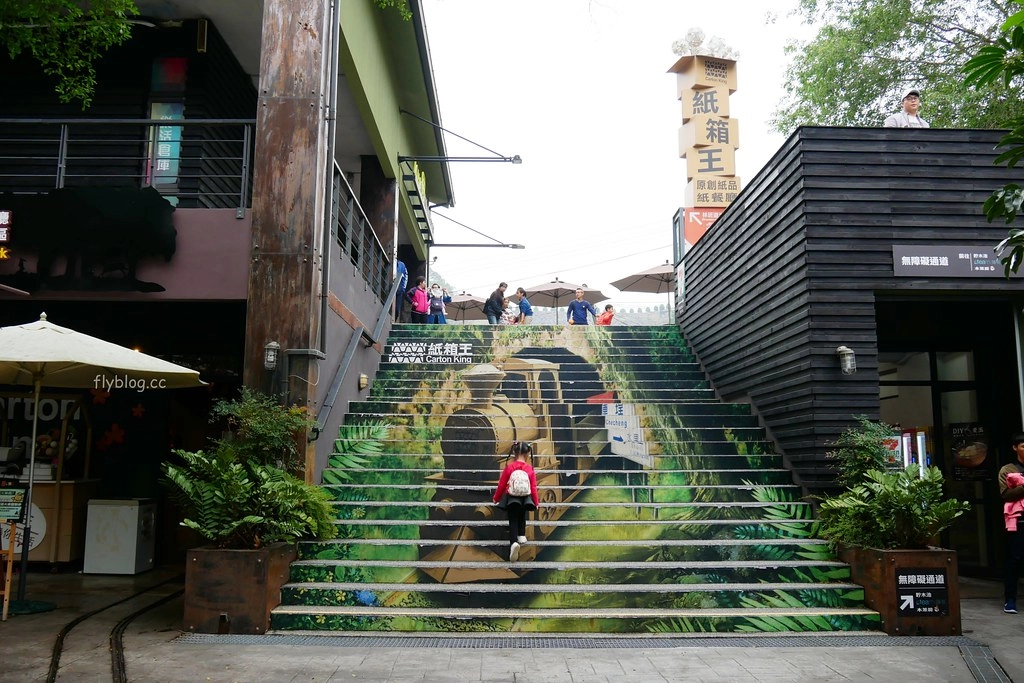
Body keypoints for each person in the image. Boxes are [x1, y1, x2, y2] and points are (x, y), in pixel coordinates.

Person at [492, 441, 539, 562]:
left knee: (512, 519)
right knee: (522, 515)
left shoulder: (509, 467)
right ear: (528, 453)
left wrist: (496, 498)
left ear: (514, 452)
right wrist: (536, 502)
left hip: (512, 498)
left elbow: (502, 485)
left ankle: (513, 543)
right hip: (525, 498)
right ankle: (521, 535)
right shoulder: (529, 469)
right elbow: (533, 487)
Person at [1000, 433, 1024, 614]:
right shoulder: (1007, 469)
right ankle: (1010, 600)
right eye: (1023, 446)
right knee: (1014, 559)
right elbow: (1006, 494)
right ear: (1015, 448)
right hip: (1018, 520)